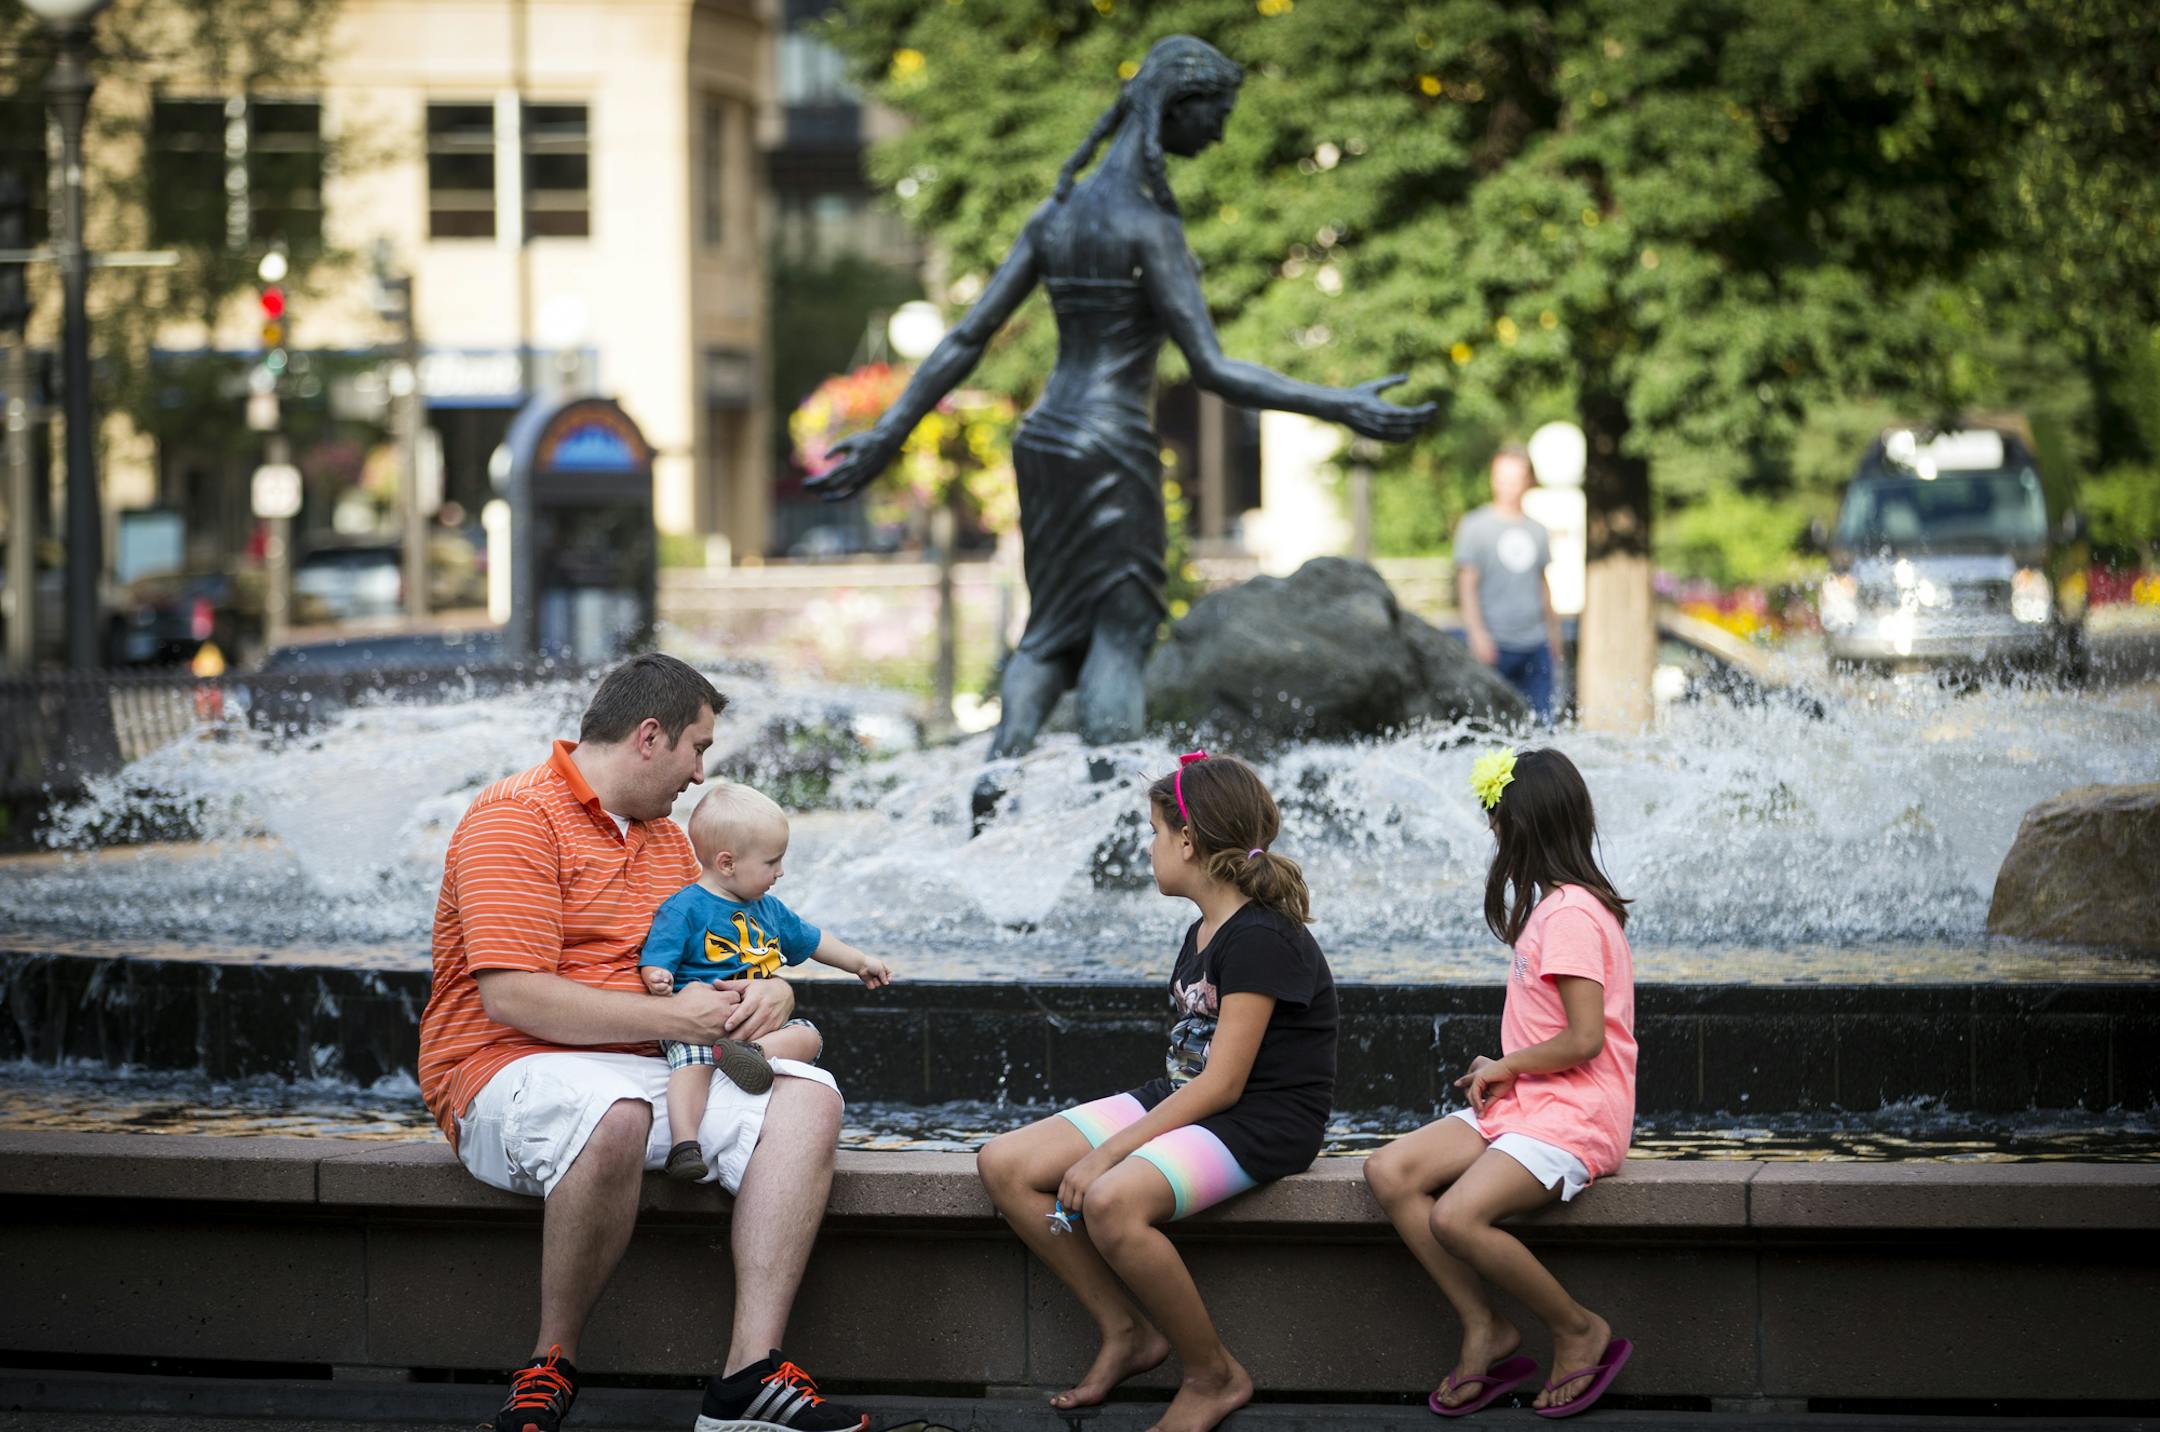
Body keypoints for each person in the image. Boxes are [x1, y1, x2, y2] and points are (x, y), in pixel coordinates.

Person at [800, 35, 1434, 821]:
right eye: (1216, 114)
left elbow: (965, 338)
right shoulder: (1147, 227)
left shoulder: (1057, 214)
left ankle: (994, 789)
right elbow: (1212, 368)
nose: (1222, 133)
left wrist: (892, 432)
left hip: (1045, 442)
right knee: (1121, 633)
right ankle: (1116, 825)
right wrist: (1341, 403)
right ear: (1177, 106)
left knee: (1049, 633)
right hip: (1111, 444)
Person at [417, 653, 871, 1432]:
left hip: (657, 1065)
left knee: (810, 1099)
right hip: (505, 1067)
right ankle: (548, 1365)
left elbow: (734, 953)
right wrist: (677, 1021)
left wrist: (773, 991)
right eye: (699, 748)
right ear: (651, 736)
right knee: (616, 1110)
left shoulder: (670, 844)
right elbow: (513, 996)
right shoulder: (514, 816)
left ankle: (747, 1380)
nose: (700, 776)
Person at [975, 751, 1338, 1432]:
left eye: (1154, 831)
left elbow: (1228, 1082)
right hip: (1191, 1095)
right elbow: (1196, 1072)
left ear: (1189, 841)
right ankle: (1127, 1332)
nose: (1149, 847)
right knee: (1005, 1164)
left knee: (1110, 1200)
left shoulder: (1262, 938)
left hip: (1262, 1117)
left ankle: (1214, 1374)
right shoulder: (1203, 929)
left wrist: (1106, 1154)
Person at [1362, 747, 1638, 1419]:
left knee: (1457, 1215)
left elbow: (1583, 1039)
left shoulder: (1571, 914)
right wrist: (1508, 1067)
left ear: (1524, 828)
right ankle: (1485, 1325)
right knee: (1390, 1170)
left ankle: (1578, 1328)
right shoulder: (1557, 907)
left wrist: (1506, 1065)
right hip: (1530, 1104)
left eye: (1498, 820)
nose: (1493, 833)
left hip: (1574, 1112)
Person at [639, 780, 894, 1182]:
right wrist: (657, 975)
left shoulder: (769, 909)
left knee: (808, 1036)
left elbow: (813, 941)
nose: (781, 871)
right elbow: (658, 954)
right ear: (727, 863)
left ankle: (750, 1055)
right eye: (772, 862)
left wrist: (858, 961)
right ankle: (684, 1144)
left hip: (756, 1028)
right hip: (701, 1025)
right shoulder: (685, 906)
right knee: (688, 1063)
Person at [1455, 445, 1566, 722]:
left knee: (1542, 728)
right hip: (1495, 644)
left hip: (1535, 643)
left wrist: (1554, 638)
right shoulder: (1474, 526)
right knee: (1491, 727)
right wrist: (1477, 634)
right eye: (1502, 477)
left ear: (1528, 480)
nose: (1508, 486)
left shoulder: (1537, 530)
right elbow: (1466, 586)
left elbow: (1542, 586)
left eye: (1515, 478)